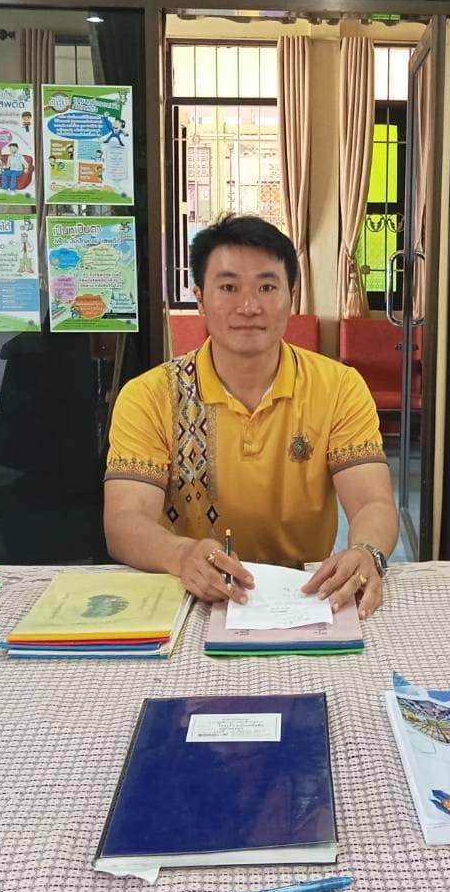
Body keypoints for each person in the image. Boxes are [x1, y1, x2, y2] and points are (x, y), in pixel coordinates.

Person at [102, 215, 397, 618]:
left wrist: (366, 552)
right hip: (191, 593)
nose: (249, 306)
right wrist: (181, 555)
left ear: (292, 296)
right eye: (228, 287)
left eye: (267, 287)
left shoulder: (339, 387)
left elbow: (372, 502)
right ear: (200, 298)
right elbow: (124, 520)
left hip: (305, 596)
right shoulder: (149, 396)